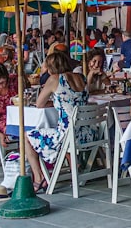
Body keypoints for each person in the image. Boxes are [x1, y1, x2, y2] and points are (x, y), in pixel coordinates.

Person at [23, 52, 90, 193]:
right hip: (87, 132)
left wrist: (52, 100)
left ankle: (38, 177)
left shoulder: (55, 79)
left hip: (68, 135)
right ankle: (74, 164)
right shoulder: (81, 77)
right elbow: (71, 100)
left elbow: (39, 103)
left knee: (27, 136)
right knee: (60, 132)